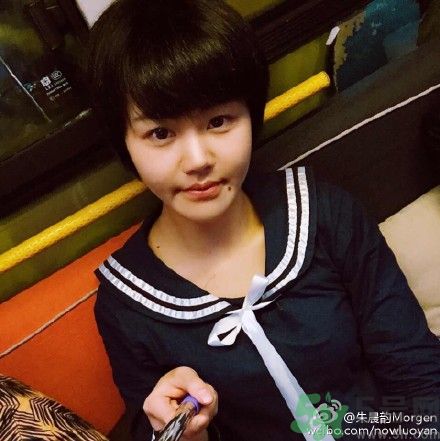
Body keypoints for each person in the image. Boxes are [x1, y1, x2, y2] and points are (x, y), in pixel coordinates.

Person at [86, 1, 440, 440]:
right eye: (161, 133)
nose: (197, 160)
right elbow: (151, 428)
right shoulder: (127, 304)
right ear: (124, 142)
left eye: (219, 121)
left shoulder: (325, 216)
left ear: (251, 117)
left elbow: (417, 373)